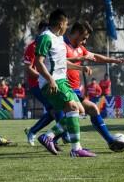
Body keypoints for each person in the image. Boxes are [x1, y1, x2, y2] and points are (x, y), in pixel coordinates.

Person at [35, 9, 96, 157]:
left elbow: (62, 63)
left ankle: (48, 137)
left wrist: (80, 67)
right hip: (53, 82)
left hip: (62, 81)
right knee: (74, 107)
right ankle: (76, 149)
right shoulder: (45, 37)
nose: (67, 27)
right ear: (61, 23)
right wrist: (50, 80)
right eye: (66, 24)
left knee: (80, 111)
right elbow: (38, 63)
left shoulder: (59, 39)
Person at [63, 21, 124, 152]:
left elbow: (95, 57)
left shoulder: (79, 48)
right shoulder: (62, 46)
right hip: (63, 88)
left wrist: (115, 60)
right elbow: (58, 62)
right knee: (81, 112)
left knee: (87, 111)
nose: (85, 41)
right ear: (76, 33)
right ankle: (49, 137)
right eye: (84, 38)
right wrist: (80, 61)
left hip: (74, 90)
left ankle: (50, 137)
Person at [23, 21, 69, 148]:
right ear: (39, 30)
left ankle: (38, 133)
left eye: (47, 29)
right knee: (56, 109)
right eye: (43, 29)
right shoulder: (32, 46)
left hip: (50, 83)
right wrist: (44, 77)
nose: (46, 32)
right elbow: (28, 68)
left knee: (54, 110)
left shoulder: (53, 42)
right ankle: (60, 136)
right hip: (37, 85)